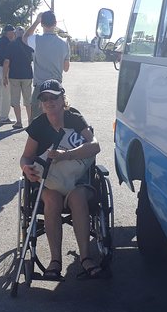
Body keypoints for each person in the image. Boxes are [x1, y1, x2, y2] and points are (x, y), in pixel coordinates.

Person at [19, 79, 104, 280]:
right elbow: (26, 157)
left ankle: (85, 258)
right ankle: (55, 260)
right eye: (45, 98)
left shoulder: (73, 117)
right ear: (41, 103)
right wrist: (26, 168)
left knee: (77, 198)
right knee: (52, 200)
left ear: (62, 99)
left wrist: (66, 155)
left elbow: (94, 145)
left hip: (77, 178)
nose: (49, 102)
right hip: (50, 181)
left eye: (54, 97)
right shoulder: (38, 125)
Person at [23, 11, 71, 119]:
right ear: (55, 23)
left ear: (42, 24)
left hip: (40, 88)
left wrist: (36, 21)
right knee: (57, 124)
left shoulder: (36, 39)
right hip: (57, 88)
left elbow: (25, 37)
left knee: (36, 127)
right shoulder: (64, 43)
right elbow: (66, 68)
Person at [3, 26, 34, 129]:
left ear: (15, 34)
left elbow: (7, 62)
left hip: (14, 76)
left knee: (16, 101)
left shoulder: (11, 45)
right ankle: (30, 122)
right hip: (27, 75)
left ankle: (19, 122)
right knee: (28, 100)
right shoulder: (29, 44)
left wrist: (4, 76)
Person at [0, 25, 16, 123]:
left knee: (2, 93)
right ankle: (4, 117)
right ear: (8, 32)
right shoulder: (7, 42)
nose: (13, 34)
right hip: (3, 68)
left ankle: (1, 115)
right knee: (6, 94)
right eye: (12, 32)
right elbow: (7, 58)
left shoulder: (0, 41)